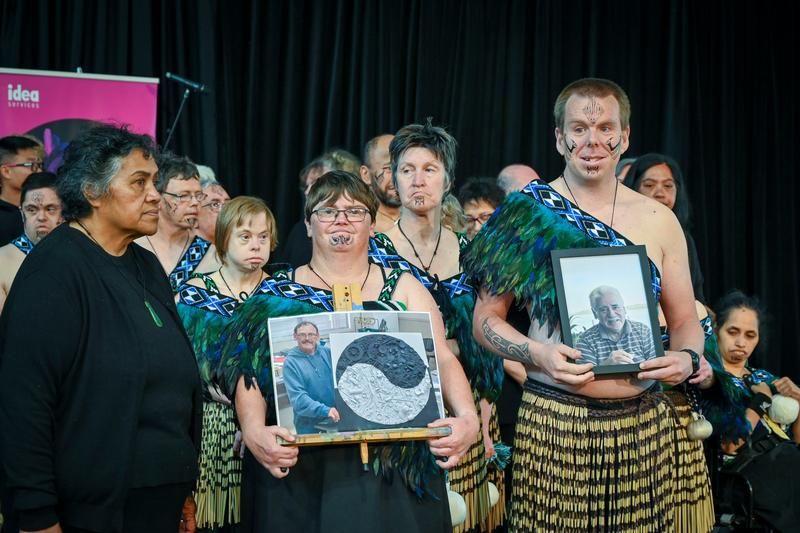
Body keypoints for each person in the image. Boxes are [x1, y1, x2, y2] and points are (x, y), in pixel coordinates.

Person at [466, 78, 714, 532]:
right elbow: (484, 321)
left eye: (605, 128)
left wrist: (687, 356)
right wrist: (536, 352)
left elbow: (684, 320)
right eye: (579, 128)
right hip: (555, 420)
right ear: (559, 138)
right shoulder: (524, 213)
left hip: (643, 425)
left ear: (625, 137)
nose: (592, 141)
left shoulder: (659, 219)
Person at [223, 171, 479, 533]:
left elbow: (442, 357)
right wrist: (252, 429)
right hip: (303, 468)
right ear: (308, 225)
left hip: (394, 467)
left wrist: (468, 417)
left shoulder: (404, 288)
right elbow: (247, 373)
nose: (341, 219)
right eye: (327, 211)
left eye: (355, 211)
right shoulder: (274, 293)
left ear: (372, 225)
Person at [0, 124, 202, 533]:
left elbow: (171, 388)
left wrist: (180, 488)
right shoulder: (55, 271)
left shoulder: (145, 264)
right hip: (88, 514)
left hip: (157, 504)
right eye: (139, 182)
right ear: (93, 191)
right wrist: (37, 516)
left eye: (155, 182)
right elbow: (23, 403)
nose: (155, 195)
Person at [370, 121, 506, 533]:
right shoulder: (373, 252)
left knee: (469, 520)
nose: (418, 180)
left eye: (429, 169)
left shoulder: (473, 252)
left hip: (471, 406)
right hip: (402, 409)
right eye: (407, 170)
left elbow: (488, 339)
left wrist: (483, 419)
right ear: (394, 179)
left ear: (447, 179)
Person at [176, 195, 276, 533]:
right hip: (210, 426)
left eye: (263, 237)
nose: (256, 245)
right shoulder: (193, 295)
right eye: (245, 236)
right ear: (223, 240)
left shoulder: (282, 295)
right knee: (214, 521)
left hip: (271, 425)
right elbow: (177, 364)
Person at [700, 290, 800, 531]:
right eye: (733, 332)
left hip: (785, 471)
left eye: (750, 335)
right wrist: (761, 401)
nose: (741, 342)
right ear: (717, 330)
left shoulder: (764, 377)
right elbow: (730, 445)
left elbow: (797, 441)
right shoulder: (710, 380)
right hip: (747, 481)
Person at [624, 153, 705, 302]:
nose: (660, 193)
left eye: (668, 186)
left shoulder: (684, 239)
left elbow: (696, 297)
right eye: (649, 185)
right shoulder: (618, 233)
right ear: (632, 188)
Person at [136, 154, 219, 291]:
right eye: (183, 195)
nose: (195, 202)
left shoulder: (212, 255)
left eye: (198, 195)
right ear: (158, 197)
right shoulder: (133, 247)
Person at [276, 149, 361, 268]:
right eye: (307, 186)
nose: (307, 192)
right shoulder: (300, 230)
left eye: (317, 183)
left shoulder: (362, 225)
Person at [0, 172, 63, 314]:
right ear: (22, 213)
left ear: (63, 212)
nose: (41, 217)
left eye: (50, 209)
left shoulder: (79, 255)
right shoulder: (1, 261)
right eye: (32, 210)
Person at [282, 321, 340, 434]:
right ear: (295, 336)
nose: (307, 338)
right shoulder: (291, 363)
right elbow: (298, 399)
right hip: (308, 425)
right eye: (302, 335)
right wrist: (325, 410)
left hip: (333, 417)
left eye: (311, 334)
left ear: (317, 336)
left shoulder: (327, 352)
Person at [575, 285, 656, 366]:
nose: (611, 314)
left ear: (624, 309)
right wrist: (606, 366)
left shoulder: (643, 330)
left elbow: (656, 367)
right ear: (594, 313)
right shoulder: (585, 341)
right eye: (603, 309)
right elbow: (586, 373)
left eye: (615, 307)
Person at [0, 135, 44, 245]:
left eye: (39, 165)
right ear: (6, 171)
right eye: (31, 165)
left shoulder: (48, 211)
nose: (39, 171)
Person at [359, 134, 400, 232]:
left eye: (405, 168)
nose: (398, 176)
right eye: (389, 168)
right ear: (366, 174)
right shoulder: (359, 224)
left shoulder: (429, 219)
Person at [195, 165, 230, 245]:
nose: (225, 211)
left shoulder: (236, 249)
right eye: (215, 205)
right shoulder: (192, 252)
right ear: (194, 219)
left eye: (228, 204)